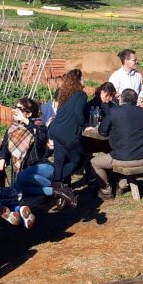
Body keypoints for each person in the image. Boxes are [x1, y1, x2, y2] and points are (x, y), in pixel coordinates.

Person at [0, 97, 64, 206]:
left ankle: (56, 185)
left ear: (28, 114)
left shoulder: (38, 125)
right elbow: (4, 146)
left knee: (22, 177)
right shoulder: (12, 128)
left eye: (19, 108)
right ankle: (56, 191)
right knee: (16, 190)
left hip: (41, 168)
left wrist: (25, 121)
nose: (15, 110)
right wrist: (2, 157)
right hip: (23, 174)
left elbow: (40, 135)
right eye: (15, 107)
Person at [90, 89, 143, 199]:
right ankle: (122, 183)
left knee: (94, 162)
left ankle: (106, 191)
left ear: (122, 99)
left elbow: (102, 131)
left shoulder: (114, 111)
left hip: (123, 157)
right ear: (135, 100)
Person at [47, 69, 86, 205]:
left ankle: (59, 192)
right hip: (67, 134)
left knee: (59, 161)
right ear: (78, 80)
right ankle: (56, 183)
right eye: (83, 78)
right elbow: (78, 114)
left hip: (56, 130)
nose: (84, 80)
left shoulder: (65, 94)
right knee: (78, 160)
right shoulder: (81, 94)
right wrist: (83, 124)